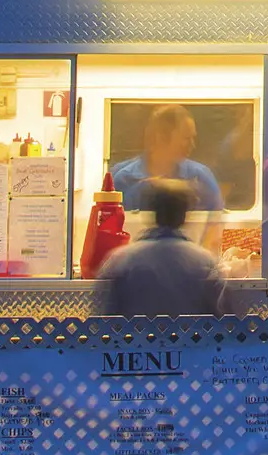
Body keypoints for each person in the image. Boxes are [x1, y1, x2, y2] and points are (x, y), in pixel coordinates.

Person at [94, 178, 228, 315]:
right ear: (184, 216)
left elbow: (103, 316)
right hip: (190, 336)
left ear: (151, 213)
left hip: (133, 336)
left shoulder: (119, 260)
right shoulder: (205, 261)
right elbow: (220, 319)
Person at [110, 103, 225, 241]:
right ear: (161, 136)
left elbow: (215, 227)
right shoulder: (122, 179)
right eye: (186, 138)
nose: (193, 145)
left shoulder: (201, 178)